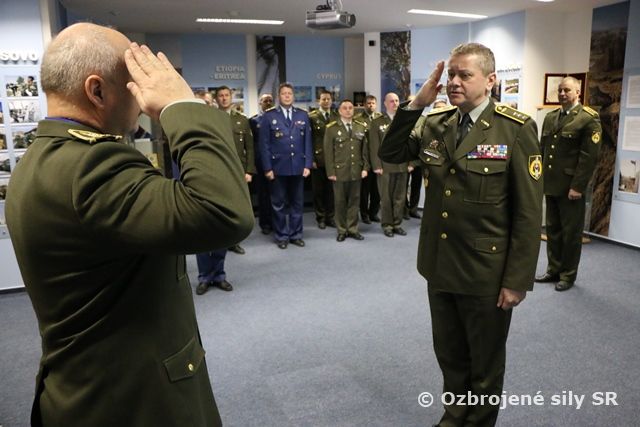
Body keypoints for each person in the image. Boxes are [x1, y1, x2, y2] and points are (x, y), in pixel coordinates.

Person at [5, 23, 254, 427]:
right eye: (133, 82)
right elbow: (223, 211)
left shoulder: (43, 157)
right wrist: (181, 106)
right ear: (97, 91)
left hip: (89, 384)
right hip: (132, 400)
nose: (141, 96)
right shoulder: (91, 165)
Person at [379, 43, 542, 426]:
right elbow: (391, 153)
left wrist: (517, 280)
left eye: (464, 75)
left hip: (486, 271)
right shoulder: (436, 123)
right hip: (440, 265)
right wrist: (417, 104)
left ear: (490, 80)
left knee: (484, 363)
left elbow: (529, 213)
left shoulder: (515, 129)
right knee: (450, 355)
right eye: (451, 74)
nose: (453, 82)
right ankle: (454, 417)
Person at [535, 76, 602, 291]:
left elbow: (589, 157)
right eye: (560, 90)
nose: (562, 94)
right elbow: (542, 150)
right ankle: (553, 269)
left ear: (578, 92)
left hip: (571, 187)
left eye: (567, 90)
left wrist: (578, 187)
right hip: (551, 184)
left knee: (571, 234)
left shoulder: (588, 118)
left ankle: (568, 275)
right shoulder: (551, 117)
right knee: (553, 230)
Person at [259, 83, 312, 249]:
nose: (287, 96)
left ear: (293, 96)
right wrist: (267, 168)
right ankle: (281, 235)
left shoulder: (303, 115)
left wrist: (308, 164)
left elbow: (307, 142)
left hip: (298, 166)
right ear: (278, 96)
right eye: (284, 93)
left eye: (290, 93)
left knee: (297, 203)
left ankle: (296, 234)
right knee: (278, 204)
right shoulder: (269, 116)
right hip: (277, 167)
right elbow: (264, 145)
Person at [216, 85, 255, 255]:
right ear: (217, 99)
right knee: (220, 206)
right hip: (218, 169)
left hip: (238, 169)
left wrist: (249, 171)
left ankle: (235, 241)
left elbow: (250, 148)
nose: (224, 98)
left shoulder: (242, 120)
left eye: (227, 95)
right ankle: (221, 240)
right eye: (221, 95)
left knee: (237, 207)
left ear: (231, 97)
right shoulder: (211, 117)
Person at [323, 99, 369, 241]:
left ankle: (353, 228)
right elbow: (328, 152)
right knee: (340, 202)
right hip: (339, 171)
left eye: (350, 108)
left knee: (354, 201)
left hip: (356, 170)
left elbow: (364, 150)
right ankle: (342, 230)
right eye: (345, 108)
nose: (348, 110)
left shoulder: (360, 126)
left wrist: (365, 167)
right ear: (339, 111)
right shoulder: (331, 128)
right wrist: (331, 172)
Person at [368, 92, 409, 237]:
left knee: (400, 197)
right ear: (385, 103)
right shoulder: (377, 122)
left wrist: (411, 162)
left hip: (402, 164)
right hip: (384, 166)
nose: (395, 103)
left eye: (397, 100)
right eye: (392, 101)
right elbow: (374, 145)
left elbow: (410, 142)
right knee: (386, 198)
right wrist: (376, 165)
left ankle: (397, 224)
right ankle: (387, 225)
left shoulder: (404, 120)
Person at [308, 90, 339, 229]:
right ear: (318, 101)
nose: (326, 101)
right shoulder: (312, 117)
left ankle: (330, 217)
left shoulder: (336, 116)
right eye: (323, 99)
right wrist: (311, 159)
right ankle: (320, 217)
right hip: (318, 159)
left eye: (328, 99)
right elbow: (309, 139)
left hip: (333, 159)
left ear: (332, 101)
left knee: (331, 191)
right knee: (318, 191)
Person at [354, 94, 382, 224]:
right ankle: (364, 214)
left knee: (377, 190)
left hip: (378, 159)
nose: (371, 105)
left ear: (376, 105)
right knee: (364, 191)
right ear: (364, 105)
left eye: (373, 103)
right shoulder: (358, 119)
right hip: (365, 159)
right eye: (368, 103)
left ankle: (373, 213)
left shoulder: (380, 119)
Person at [250, 93, 275, 234]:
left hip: (276, 162)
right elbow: (252, 144)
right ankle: (265, 223)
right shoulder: (254, 121)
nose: (268, 103)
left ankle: (276, 222)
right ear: (260, 103)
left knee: (277, 194)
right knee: (263, 195)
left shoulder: (278, 119)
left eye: (270, 100)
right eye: (265, 101)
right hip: (260, 163)